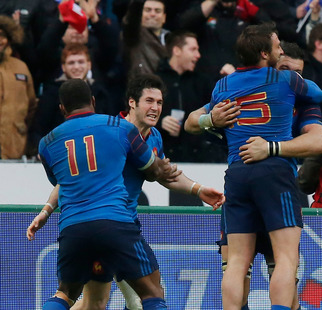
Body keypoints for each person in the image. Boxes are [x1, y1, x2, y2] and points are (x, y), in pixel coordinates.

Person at [28, 74, 226, 309]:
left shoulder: (153, 137)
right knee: (146, 296)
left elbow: (166, 175)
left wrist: (198, 189)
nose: (155, 108)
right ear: (132, 102)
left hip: (88, 227)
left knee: (93, 302)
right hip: (117, 227)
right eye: (149, 101)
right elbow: (157, 171)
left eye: (160, 103)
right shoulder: (115, 130)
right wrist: (48, 208)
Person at [184, 23, 322, 309]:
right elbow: (318, 94)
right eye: (276, 47)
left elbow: (192, 122)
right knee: (286, 258)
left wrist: (209, 120)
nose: (280, 50)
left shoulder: (222, 86)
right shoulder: (285, 79)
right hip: (274, 171)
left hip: (236, 172)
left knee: (236, 261)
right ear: (264, 53)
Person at [155, 31, 226, 165]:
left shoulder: (202, 82)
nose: (198, 55)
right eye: (193, 49)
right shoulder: (156, 80)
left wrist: (228, 79)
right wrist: (160, 123)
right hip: (163, 159)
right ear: (177, 50)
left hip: (198, 159)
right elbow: (139, 117)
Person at [33, 43, 117, 148]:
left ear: (89, 65)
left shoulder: (101, 93)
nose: (76, 67)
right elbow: (38, 130)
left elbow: (112, 128)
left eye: (81, 62)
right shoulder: (51, 94)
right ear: (63, 67)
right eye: (71, 63)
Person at [0, 15, 37, 159]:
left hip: (15, 146)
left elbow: (31, 106)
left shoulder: (21, 68)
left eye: (2, 35)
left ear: (9, 39)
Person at [122, 0, 169, 77]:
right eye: (147, 10)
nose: (152, 14)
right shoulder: (133, 35)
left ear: (164, 17)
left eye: (157, 11)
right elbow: (130, 22)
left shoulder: (172, 39)